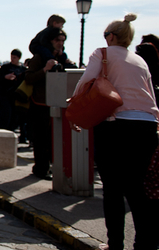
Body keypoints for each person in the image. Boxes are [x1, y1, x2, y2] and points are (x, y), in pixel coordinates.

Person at [70, 14, 158, 250]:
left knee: (113, 188)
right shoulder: (140, 61)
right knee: (137, 187)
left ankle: (115, 244)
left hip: (116, 123)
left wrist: (75, 108)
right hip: (147, 125)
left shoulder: (103, 53)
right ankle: (145, 243)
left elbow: (86, 82)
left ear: (111, 36)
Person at [24, 27, 74, 180]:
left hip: (57, 102)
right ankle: (40, 168)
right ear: (50, 41)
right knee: (41, 139)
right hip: (40, 103)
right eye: (57, 40)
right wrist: (45, 69)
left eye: (62, 41)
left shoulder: (62, 57)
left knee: (54, 138)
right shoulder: (39, 57)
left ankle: (53, 166)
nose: (60, 43)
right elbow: (28, 78)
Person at [0, 49, 27, 132]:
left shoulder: (23, 70)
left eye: (14, 57)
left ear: (18, 58)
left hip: (16, 96)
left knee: (15, 117)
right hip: (5, 95)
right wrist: (5, 77)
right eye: (11, 57)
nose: (12, 59)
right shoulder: (5, 68)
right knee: (5, 116)